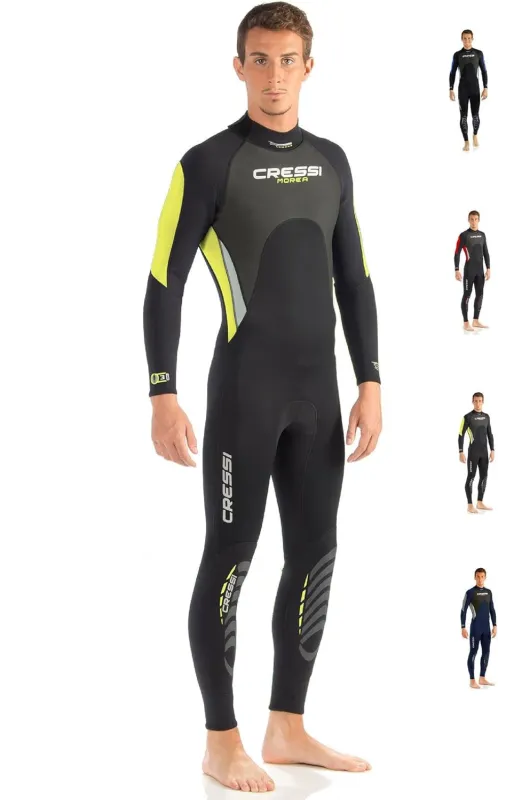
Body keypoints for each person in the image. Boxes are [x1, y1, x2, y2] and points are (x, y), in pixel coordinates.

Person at [142, 2, 379, 792]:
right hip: (245, 393)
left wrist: (371, 380)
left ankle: (287, 726)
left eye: (287, 60)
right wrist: (163, 392)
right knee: (232, 558)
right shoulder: (208, 164)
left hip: (320, 397)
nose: (274, 76)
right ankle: (221, 740)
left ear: (309, 67)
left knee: (315, 555)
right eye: (259, 58)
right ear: (238, 65)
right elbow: (163, 282)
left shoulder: (333, 162)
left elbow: (355, 278)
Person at [448, 29, 488, 151]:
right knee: (463, 117)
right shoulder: (457, 55)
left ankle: (475, 135)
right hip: (463, 90)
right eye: (464, 38)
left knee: (475, 116)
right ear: (462, 39)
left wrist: (485, 87)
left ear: (472, 39)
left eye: (469, 38)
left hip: (475, 89)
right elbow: (452, 72)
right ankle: (466, 142)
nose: (467, 41)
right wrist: (451, 89)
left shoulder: (478, 53)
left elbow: (484, 71)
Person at [453, 210, 491, 331]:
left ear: (479, 220)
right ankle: (466, 323)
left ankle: (475, 320)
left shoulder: (482, 235)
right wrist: (456, 269)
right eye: (471, 219)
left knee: (480, 294)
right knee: (467, 295)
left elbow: (486, 252)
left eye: (476, 219)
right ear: (468, 220)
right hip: (469, 270)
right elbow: (457, 253)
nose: (474, 222)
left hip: (480, 271)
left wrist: (488, 268)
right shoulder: (464, 235)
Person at [460, 568, 498, 688]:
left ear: (485, 577)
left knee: (486, 652)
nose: (480, 579)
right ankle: (472, 680)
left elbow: (492, 609)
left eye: (482, 577)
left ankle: (482, 678)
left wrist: (495, 625)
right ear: (474, 577)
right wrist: (463, 627)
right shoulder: (470, 592)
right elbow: (463, 610)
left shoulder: (489, 592)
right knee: (473, 652)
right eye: (478, 576)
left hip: (486, 628)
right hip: (475, 628)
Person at [458, 392, 495, 513]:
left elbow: (490, 434)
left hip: (484, 453)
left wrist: (492, 450)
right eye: (475, 401)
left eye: (480, 401)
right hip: (473, 453)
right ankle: (470, 505)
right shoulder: (467, 417)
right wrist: (461, 451)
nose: (478, 403)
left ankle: (480, 502)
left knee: (484, 476)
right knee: (471, 477)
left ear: (483, 402)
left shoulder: (486, 417)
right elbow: (460, 434)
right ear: (472, 402)